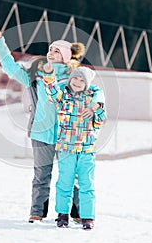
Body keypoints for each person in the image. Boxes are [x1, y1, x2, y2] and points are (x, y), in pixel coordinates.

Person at [0, 25, 105, 223]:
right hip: (41, 133)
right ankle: (37, 212)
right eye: (50, 49)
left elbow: (95, 90)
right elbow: (10, 67)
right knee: (41, 176)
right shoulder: (36, 75)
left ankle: (77, 214)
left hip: (68, 135)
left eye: (56, 51)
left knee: (72, 176)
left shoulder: (74, 77)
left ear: (66, 57)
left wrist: (96, 105)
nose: (51, 53)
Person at [43, 62, 106, 229]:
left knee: (87, 184)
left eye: (81, 80)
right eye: (75, 78)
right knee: (65, 182)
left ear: (87, 84)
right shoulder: (63, 97)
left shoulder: (93, 100)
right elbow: (51, 91)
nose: (77, 82)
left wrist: (96, 109)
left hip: (87, 149)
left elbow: (101, 120)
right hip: (66, 148)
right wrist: (48, 74)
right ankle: (62, 214)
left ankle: (88, 217)